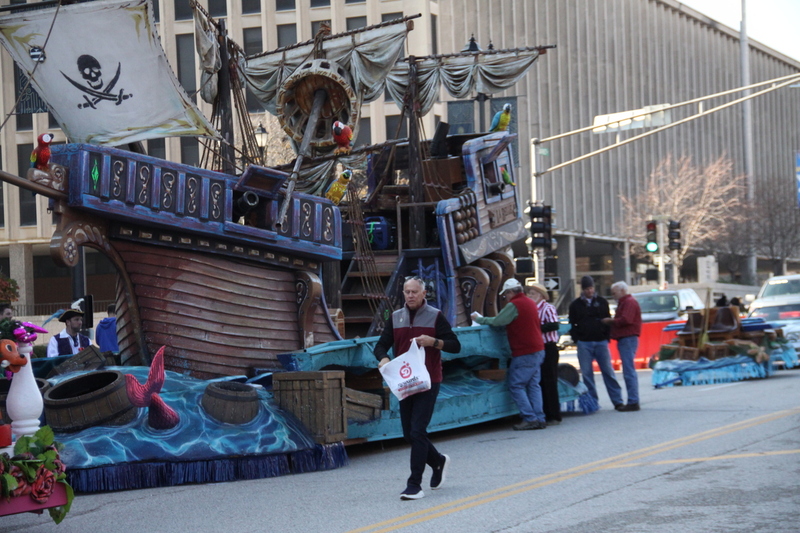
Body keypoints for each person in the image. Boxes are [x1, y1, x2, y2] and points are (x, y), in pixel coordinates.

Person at [374, 276, 460, 501]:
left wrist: (434, 342)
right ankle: (438, 461)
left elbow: (455, 345)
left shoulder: (435, 316)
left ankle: (414, 485)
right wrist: (383, 358)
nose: (410, 295)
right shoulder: (396, 317)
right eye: (407, 291)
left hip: (429, 380)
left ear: (424, 294)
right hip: (405, 381)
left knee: (418, 431)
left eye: (414, 292)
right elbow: (381, 345)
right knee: (408, 434)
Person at [472, 278, 546, 431]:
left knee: (516, 385)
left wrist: (479, 319)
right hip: (538, 349)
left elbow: (498, 321)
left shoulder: (514, 305)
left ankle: (530, 418)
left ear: (511, 292)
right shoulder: (530, 302)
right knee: (533, 385)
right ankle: (540, 418)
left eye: (505, 294)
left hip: (524, 351)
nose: (505, 298)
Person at [568, 276, 624, 410]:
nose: (590, 291)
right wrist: (577, 339)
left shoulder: (602, 302)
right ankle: (593, 402)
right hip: (584, 342)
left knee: (608, 372)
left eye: (591, 288)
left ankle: (617, 401)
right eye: (587, 289)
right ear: (583, 289)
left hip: (600, 341)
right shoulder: (575, 305)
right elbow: (572, 324)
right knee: (587, 374)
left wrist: (606, 336)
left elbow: (607, 319)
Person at [525, 283, 562, 425]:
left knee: (550, 380)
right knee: (540, 381)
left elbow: (554, 324)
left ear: (540, 296)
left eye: (533, 294)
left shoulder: (548, 308)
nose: (530, 296)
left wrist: (536, 328)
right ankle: (544, 411)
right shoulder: (532, 309)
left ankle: (554, 414)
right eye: (530, 294)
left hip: (548, 347)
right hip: (538, 347)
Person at [602, 281, 642, 411]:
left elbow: (626, 319)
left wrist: (611, 321)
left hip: (628, 338)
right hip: (625, 338)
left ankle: (633, 401)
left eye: (615, 293)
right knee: (628, 369)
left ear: (623, 291)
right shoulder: (625, 302)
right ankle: (633, 400)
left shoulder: (629, 302)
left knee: (628, 370)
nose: (613, 296)